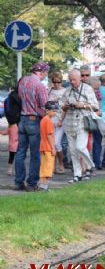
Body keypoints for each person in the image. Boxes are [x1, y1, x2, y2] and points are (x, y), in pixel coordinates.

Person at [14, 62, 49, 192]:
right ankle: (32, 183)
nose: (46, 75)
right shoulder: (39, 86)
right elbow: (45, 105)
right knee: (35, 154)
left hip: (22, 120)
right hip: (34, 121)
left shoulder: (22, 80)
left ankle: (18, 182)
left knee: (20, 152)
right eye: (46, 72)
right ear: (42, 72)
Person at [59, 69, 98, 183]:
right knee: (73, 152)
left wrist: (82, 105)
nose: (72, 82)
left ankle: (91, 165)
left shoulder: (87, 89)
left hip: (82, 122)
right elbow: (61, 105)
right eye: (70, 80)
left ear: (80, 78)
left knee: (80, 147)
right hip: (69, 124)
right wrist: (65, 106)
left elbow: (95, 106)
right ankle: (77, 175)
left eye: (74, 80)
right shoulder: (67, 91)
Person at [48, 71, 66, 174]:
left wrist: (61, 120)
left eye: (58, 82)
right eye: (54, 82)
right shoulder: (49, 91)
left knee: (57, 144)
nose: (56, 84)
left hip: (60, 120)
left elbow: (65, 108)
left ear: (61, 81)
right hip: (50, 121)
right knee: (51, 144)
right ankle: (53, 165)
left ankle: (61, 163)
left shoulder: (65, 91)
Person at [39, 101, 58, 191]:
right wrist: (53, 148)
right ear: (47, 110)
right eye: (53, 111)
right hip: (48, 147)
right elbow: (49, 135)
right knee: (48, 167)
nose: (55, 113)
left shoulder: (43, 120)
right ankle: (44, 186)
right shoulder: (48, 121)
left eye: (56, 111)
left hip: (43, 146)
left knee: (43, 166)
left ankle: (42, 185)